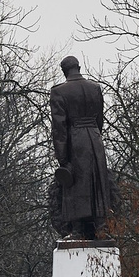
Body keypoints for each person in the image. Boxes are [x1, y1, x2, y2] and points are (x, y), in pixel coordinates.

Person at [48, 54, 115, 241]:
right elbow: (100, 119)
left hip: (75, 139)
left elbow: (59, 128)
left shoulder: (59, 91)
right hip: (94, 138)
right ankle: (101, 226)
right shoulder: (95, 88)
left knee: (75, 183)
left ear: (64, 70)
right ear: (78, 67)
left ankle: (77, 229)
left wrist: (62, 157)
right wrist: (94, 135)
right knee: (98, 181)